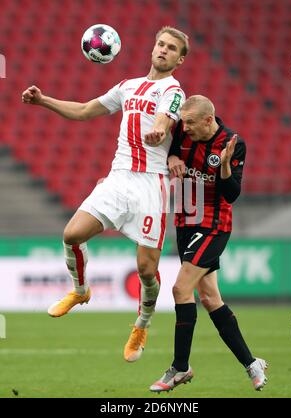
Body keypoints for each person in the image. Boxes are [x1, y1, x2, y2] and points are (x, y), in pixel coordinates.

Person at [22, 26, 189, 363]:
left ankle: (142, 324)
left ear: (180, 59)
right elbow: (84, 110)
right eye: (160, 44)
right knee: (72, 234)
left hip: (150, 186)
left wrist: (160, 130)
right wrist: (43, 101)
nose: (163, 50)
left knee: (145, 269)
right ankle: (81, 292)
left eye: (171, 48)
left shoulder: (173, 90)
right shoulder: (127, 86)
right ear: (152, 47)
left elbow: (164, 118)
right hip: (118, 178)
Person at [150, 95, 268, 393]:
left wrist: (225, 167)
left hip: (214, 225)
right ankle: (252, 363)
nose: (184, 127)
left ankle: (179, 367)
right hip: (185, 222)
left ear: (208, 120)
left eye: (190, 122)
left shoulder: (232, 144)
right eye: (183, 121)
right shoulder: (181, 132)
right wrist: (173, 157)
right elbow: (166, 151)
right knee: (211, 299)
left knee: (180, 289)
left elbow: (231, 195)